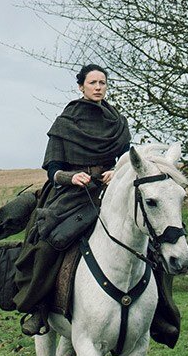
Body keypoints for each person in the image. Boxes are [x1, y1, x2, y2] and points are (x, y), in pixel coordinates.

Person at [10, 64, 132, 336]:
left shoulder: (117, 122)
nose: (99, 87)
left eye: (102, 82)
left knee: (148, 235)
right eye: (93, 83)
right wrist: (71, 177)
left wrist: (117, 170)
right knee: (49, 239)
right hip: (71, 193)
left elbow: (126, 156)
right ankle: (40, 307)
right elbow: (53, 168)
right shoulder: (65, 122)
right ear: (81, 87)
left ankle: (158, 313)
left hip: (108, 190)